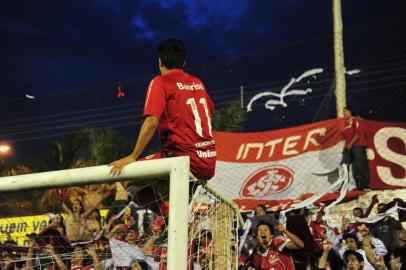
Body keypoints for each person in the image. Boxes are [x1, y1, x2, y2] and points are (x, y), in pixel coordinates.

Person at [109, 38, 216, 181]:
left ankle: (163, 205)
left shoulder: (160, 82)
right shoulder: (197, 83)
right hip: (209, 163)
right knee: (164, 189)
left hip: (182, 160)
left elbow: (152, 121)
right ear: (184, 63)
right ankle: (177, 201)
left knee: (127, 177)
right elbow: (210, 112)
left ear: (160, 62)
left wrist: (133, 156)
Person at [342, 106, 369, 190]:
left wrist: (350, 143)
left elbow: (357, 133)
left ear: (351, 111)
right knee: (354, 168)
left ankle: (364, 186)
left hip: (358, 146)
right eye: (343, 111)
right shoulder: (346, 123)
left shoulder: (356, 120)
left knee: (361, 166)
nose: (344, 113)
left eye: (345, 111)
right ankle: (356, 186)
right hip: (349, 148)